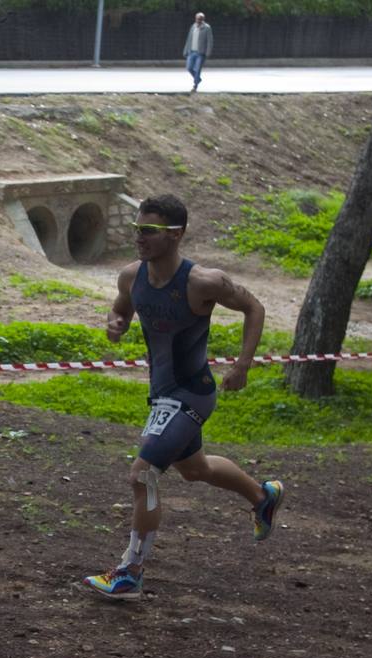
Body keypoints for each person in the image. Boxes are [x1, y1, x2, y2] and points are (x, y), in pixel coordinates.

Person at [83, 194, 284, 600]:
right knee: (195, 469)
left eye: (148, 231)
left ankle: (130, 572)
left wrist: (243, 365)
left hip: (192, 392)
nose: (138, 237)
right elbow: (121, 309)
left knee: (143, 475)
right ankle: (263, 496)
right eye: (137, 229)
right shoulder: (131, 276)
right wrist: (116, 322)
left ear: (176, 235)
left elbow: (254, 307)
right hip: (161, 394)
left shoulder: (202, 282)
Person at [183, 12, 213, 92]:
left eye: (200, 19)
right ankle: (198, 79)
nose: (198, 20)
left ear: (203, 19)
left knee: (198, 69)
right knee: (189, 67)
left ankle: (195, 86)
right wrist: (186, 50)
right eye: (197, 18)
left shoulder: (207, 28)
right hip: (191, 51)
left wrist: (208, 52)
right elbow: (189, 39)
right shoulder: (193, 26)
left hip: (201, 52)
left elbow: (210, 41)